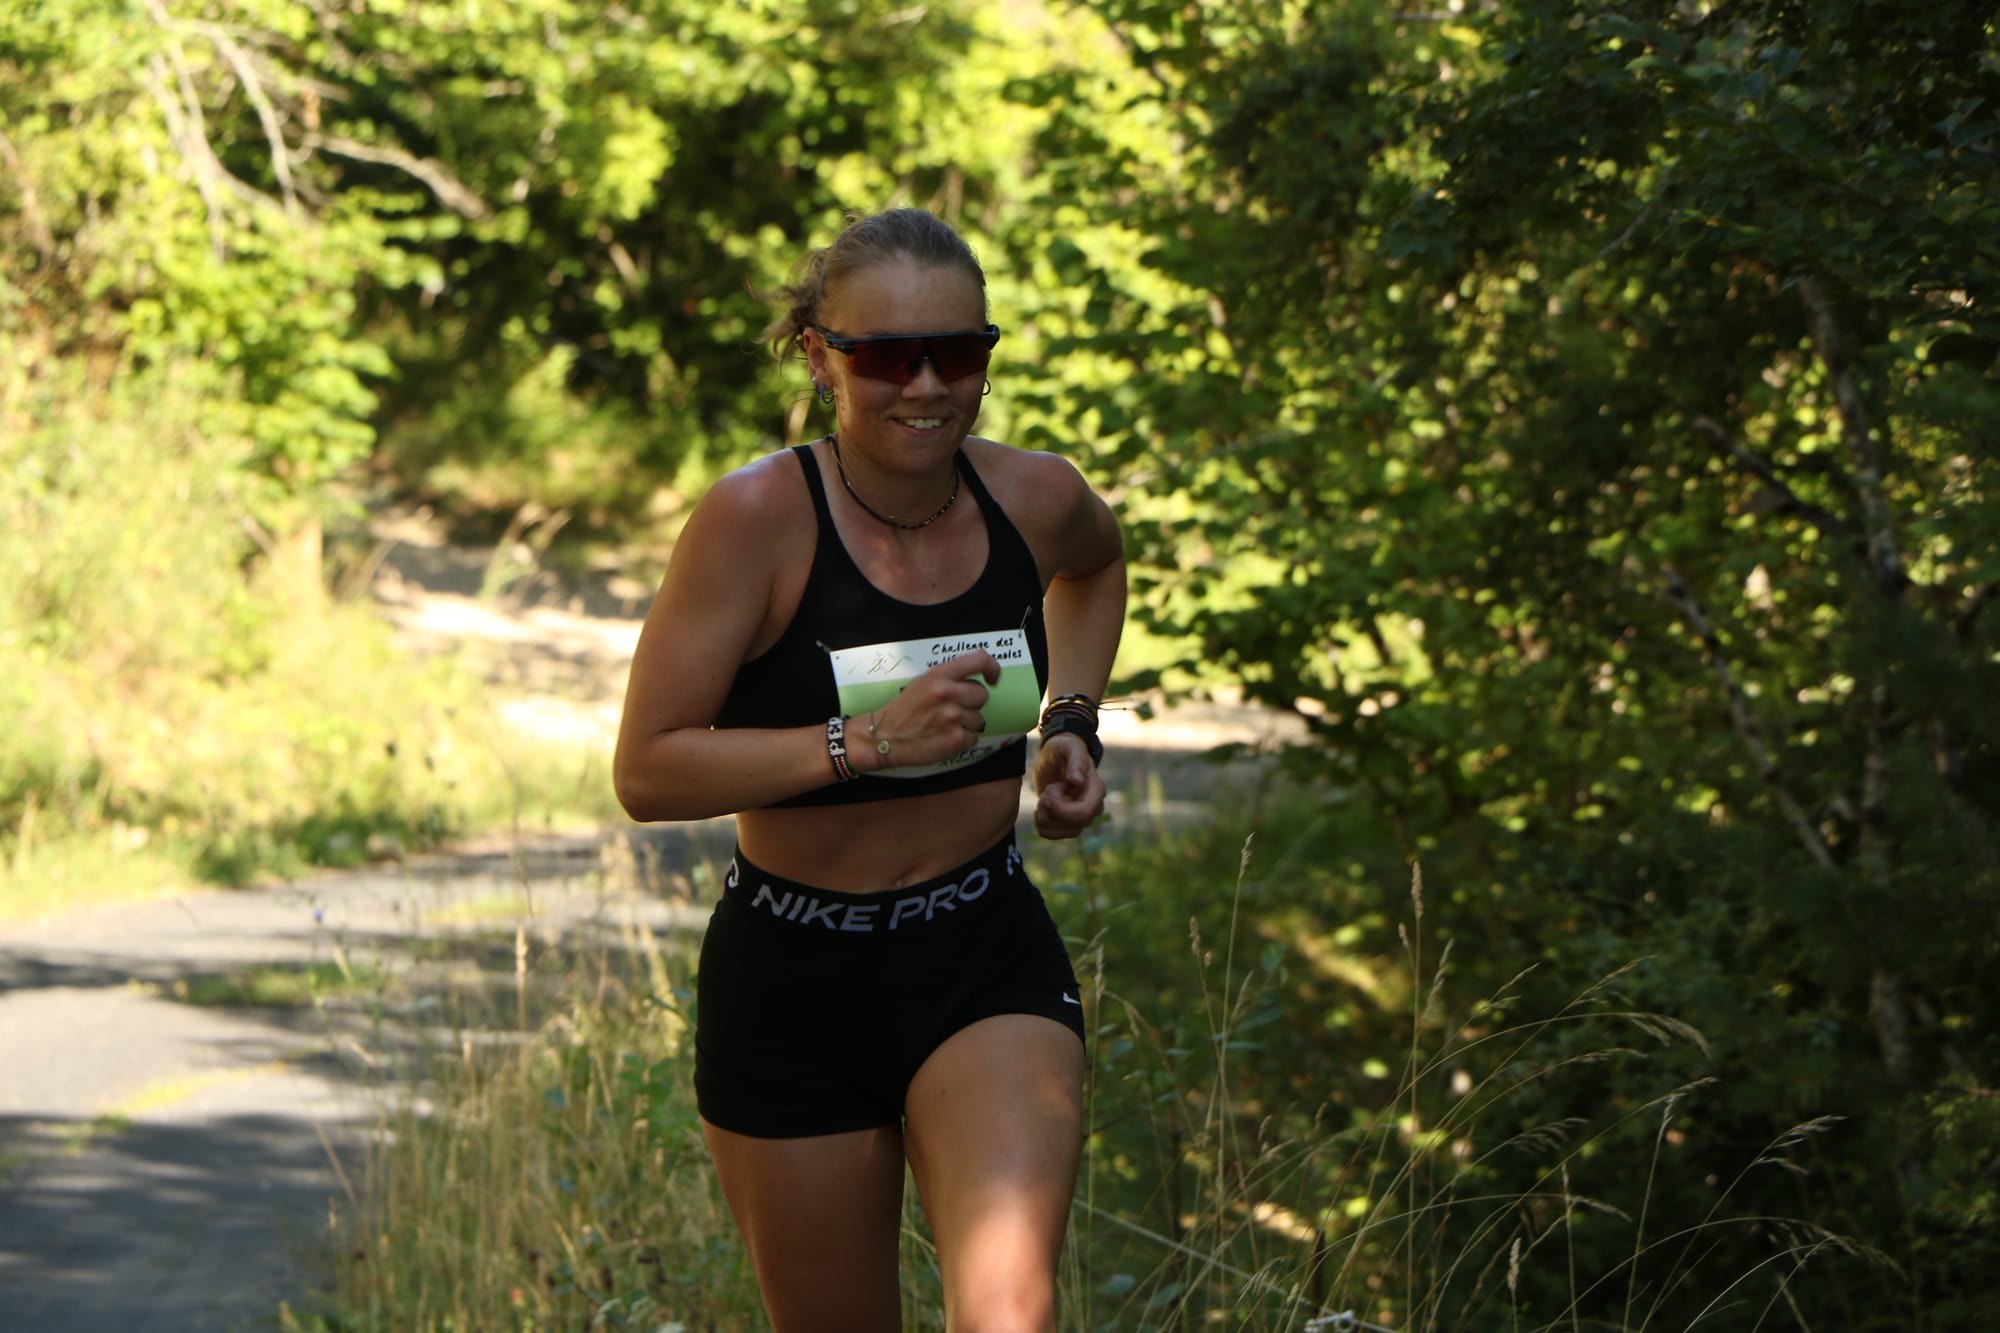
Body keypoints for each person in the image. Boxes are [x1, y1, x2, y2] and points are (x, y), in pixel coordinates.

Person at [613, 207, 1126, 1332]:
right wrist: (857, 745)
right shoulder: (755, 519)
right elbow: (647, 771)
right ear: (819, 356)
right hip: (792, 974)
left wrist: (1071, 724)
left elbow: (1096, 566)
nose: (927, 384)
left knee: (1008, 1313)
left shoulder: (1033, 497)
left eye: (961, 352)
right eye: (887, 355)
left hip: (979, 950)